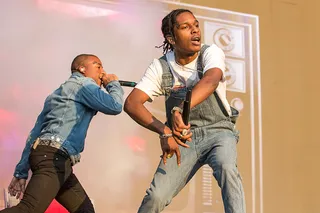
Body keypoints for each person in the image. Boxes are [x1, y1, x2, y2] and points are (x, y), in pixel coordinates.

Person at [124, 9, 246, 213]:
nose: (195, 31)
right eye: (185, 27)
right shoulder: (160, 67)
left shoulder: (211, 52)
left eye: (196, 25)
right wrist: (165, 131)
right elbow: (132, 103)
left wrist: (180, 109)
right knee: (155, 197)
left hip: (219, 131)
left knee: (227, 168)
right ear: (171, 38)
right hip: (183, 140)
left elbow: (211, 80)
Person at [2, 54, 124, 213]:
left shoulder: (56, 94)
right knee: (29, 209)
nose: (103, 71)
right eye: (98, 66)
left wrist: (21, 171)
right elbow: (114, 106)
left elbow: (34, 135)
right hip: (53, 157)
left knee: (85, 211)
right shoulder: (84, 85)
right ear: (82, 69)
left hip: (55, 159)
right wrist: (113, 84)